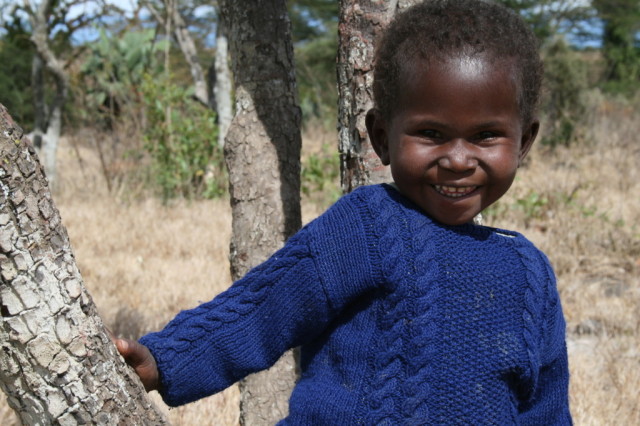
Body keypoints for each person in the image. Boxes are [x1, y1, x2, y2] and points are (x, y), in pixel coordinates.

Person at [114, 0, 572, 423]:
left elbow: (546, 409)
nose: (456, 159)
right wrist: (166, 359)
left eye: (486, 136)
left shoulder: (530, 272)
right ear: (379, 136)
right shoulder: (370, 226)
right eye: (430, 133)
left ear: (524, 142)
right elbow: (263, 309)